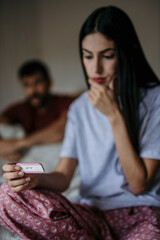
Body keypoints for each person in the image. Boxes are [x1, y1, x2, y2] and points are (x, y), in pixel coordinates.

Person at [0, 5, 160, 240]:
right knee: (7, 196)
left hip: (141, 214)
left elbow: (138, 185)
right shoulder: (79, 108)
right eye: (87, 56)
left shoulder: (154, 99)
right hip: (91, 216)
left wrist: (114, 115)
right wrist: (35, 179)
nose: (95, 68)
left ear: (129, 52)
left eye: (107, 55)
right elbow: (64, 176)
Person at [0, 60, 78, 162]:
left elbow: (63, 129)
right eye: (26, 85)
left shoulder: (65, 102)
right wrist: (5, 148)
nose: (32, 90)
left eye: (38, 83)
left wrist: (18, 144)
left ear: (49, 82)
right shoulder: (21, 108)